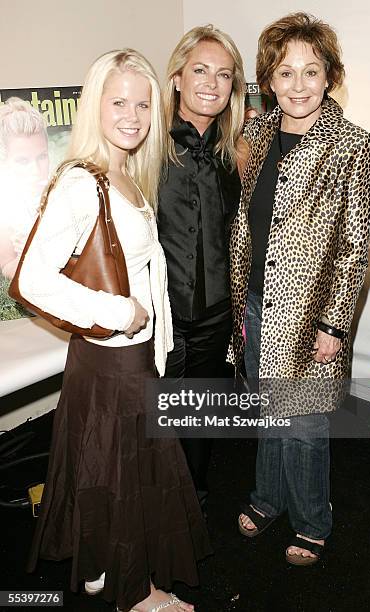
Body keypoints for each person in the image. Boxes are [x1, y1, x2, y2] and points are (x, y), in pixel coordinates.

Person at [19, 49, 211, 611]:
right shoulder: (83, 183)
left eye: (143, 103)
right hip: (114, 360)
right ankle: (137, 594)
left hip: (127, 361)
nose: (133, 115)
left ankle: (101, 568)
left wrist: (157, 339)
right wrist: (119, 312)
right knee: (128, 479)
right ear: (94, 106)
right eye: (119, 101)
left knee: (104, 471)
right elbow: (32, 280)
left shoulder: (123, 173)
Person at [230, 12, 370, 565]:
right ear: (268, 80)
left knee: (306, 425)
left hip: (311, 312)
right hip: (255, 302)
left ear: (329, 76)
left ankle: (313, 520)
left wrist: (335, 324)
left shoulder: (352, 146)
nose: (297, 85)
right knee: (269, 413)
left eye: (310, 72)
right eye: (285, 72)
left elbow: (353, 247)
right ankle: (267, 500)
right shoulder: (258, 135)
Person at [157, 25, 245, 506]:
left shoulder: (237, 151)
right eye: (200, 70)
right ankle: (160, 503)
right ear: (176, 77)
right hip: (160, 314)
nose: (211, 83)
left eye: (224, 75)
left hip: (216, 312)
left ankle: (195, 497)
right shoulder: (147, 143)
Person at [0, 97, 49, 279]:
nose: (36, 170)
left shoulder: (62, 191)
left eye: (42, 157)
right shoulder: (3, 207)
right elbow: (8, 268)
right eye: (23, 161)